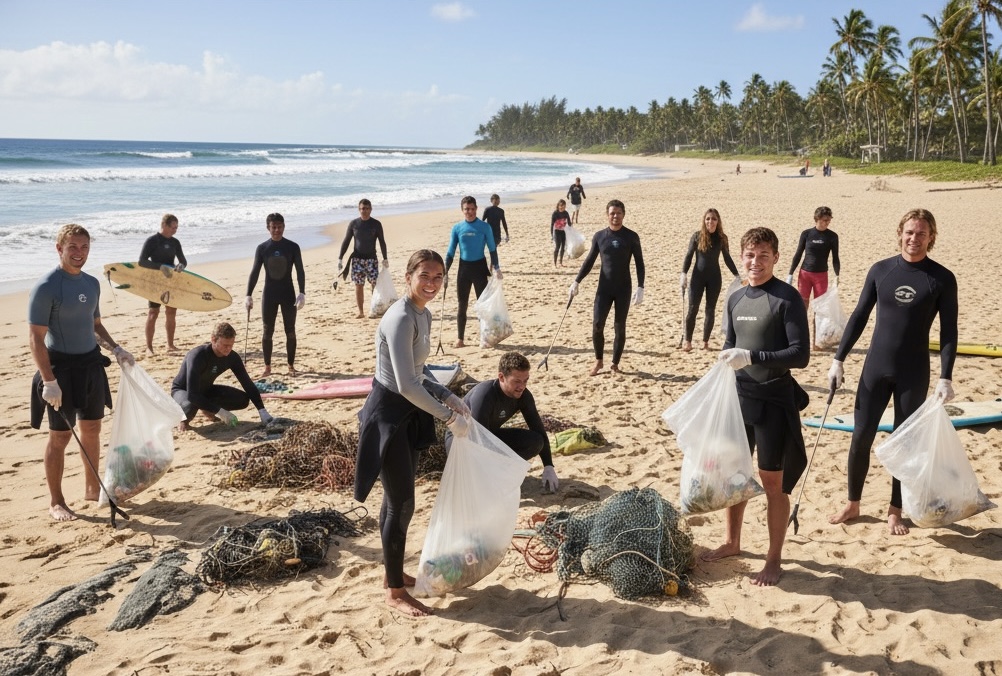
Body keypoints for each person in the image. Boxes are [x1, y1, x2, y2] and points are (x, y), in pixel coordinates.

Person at [354, 249, 471, 617]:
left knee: (396, 502)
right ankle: (393, 592)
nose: (432, 283)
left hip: (410, 413)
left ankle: (392, 574)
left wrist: (449, 394)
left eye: (438, 278)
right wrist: (448, 418)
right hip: (388, 414)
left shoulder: (425, 313)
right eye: (425, 276)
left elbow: (421, 372)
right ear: (408, 277)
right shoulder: (402, 317)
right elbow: (405, 384)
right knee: (401, 503)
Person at [827, 208, 958, 536]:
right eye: (910, 232)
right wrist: (838, 359)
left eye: (922, 234)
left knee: (905, 443)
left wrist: (946, 376)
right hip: (876, 367)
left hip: (913, 371)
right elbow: (858, 316)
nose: (915, 239)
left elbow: (949, 332)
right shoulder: (881, 270)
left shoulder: (941, 279)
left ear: (931, 237)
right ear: (900, 233)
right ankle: (853, 503)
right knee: (861, 436)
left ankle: (895, 510)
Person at [703, 226, 810, 586]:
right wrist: (729, 362)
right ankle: (732, 541)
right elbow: (729, 346)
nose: (755, 262)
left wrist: (752, 355)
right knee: (735, 474)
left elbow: (800, 354)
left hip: (775, 400)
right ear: (743, 256)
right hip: (740, 400)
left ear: (776, 258)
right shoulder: (734, 298)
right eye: (750, 254)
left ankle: (774, 558)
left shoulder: (787, 298)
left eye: (764, 255)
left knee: (772, 481)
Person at [28, 223, 136, 521]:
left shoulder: (91, 283)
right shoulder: (47, 286)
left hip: (91, 365)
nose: (79, 253)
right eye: (73, 247)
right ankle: (57, 501)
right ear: (59, 248)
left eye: (84, 247)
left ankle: (92, 488)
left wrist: (115, 348)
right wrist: (49, 380)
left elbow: (95, 324)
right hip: (60, 370)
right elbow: (35, 337)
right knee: (60, 437)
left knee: (92, 430)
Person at [445, 351, 559, 492]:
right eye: (517, 381)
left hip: (489, 435)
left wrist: (548, 466)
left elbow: (538, 429)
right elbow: (476, 439)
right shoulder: (485, 395)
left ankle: (497, 472)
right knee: (477, 482)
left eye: (525, 380)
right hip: (462, 441)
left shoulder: (523, 395)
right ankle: (490, 475)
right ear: (501, 377)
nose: (522, 386)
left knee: (536, 441)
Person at [568, 199, 645, 376]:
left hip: (623, 288)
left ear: (623, 214)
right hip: (604, 288)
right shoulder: (600, 236)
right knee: (597, 324)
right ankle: (598, 360)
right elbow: (589, 261)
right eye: (612, 213)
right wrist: (577, 281)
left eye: (618, 213)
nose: (615, 216)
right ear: (607, 215)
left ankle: (615, 364)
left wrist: (641, 287)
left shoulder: (631, 236)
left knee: (619, 326)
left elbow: (640, 263)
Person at [171, 322, 274, 431]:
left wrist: (262, 410)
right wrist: (220, 411)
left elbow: (247, 384)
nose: (228, 349)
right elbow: (192, 394)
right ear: (213, 340)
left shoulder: (232, 357)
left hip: (206, 390)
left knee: (243, 400)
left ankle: (206, 408)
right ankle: (183, 421)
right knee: (190, 404)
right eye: (225, 345)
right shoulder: (198, 356)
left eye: (231, 345)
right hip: (183, 391)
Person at [245, 213, 306, 377]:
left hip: (288, 293)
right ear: (268, 228)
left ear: (284, 227)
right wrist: (248, 295)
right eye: (273, 227)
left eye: (279, 227)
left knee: (290, 331)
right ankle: (267, 367)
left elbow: (300, 270)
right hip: (269, 294)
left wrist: (302, 292)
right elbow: (255, 272)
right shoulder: (263, 248)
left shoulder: (292, 247)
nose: (277, 230)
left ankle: (291, 366)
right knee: (267, 331)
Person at [445, 196, 502, 349]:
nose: (469, 212)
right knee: (461, 305)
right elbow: (450, 252)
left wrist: (496, 267)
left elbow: (492, 249)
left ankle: (484, 337)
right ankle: (460, 338)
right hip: (463, 269)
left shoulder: (484, 227)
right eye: (466, 209)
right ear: (462, 210)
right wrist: (445, 271)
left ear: (476, 209)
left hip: (479, 268)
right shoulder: (457, 228)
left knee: (482, 305)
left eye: (471, 209)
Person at [680, 208, 740, 352]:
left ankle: (705, 342)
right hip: (697, 278)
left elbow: (727, 258)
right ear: (704, 220)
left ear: (718, 221)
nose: (710, 222)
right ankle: (688, 340)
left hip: (714, 278)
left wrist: (737, 275)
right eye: (708, 219)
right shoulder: (697, 236)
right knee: (693, 309)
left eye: (713, 219)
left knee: (710, 310)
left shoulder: (722, 238)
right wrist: (683, 273)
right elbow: (689, 256)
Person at [786, 206, 841, 350]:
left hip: (821, 276)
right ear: (817, 219)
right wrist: (790, 273)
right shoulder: (807, 234)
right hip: (805, 275)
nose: (827, 222)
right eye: (824, 220)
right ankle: (799, 341)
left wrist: (837, 275)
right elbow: (798, 254)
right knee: (802, 308)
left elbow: (835, 258)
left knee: (820, 311)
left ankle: (817, 343)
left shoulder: (832, 236)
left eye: (829, 220)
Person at [138, 213, 188, 356]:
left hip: (170, 281)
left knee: (171, 312)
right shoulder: (152, 241)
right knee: (153, 313)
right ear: (164, 225)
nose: (175, 230)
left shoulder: (175, 242)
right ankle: (149, 348)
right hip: (155, 281)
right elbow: (142, 261)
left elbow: (183, 260)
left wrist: (181, 266)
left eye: (177, 227)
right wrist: (160, 266)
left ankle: (170, 345)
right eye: (173, 227)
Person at [338, 199, 389, 319]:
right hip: (357, 260)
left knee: (374, 284)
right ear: (358, 209)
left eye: (366, 208)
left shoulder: (376, 224)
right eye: (362, 209)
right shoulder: (354, 224)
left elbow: (382, 241)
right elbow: (346, 241)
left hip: (371, 259)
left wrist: (385, 258)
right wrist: (340, 258)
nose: (364, 211)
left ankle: (373, 309)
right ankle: (361, 311)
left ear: (370, 209)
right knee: (358, 285)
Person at [550, 199, 571, 267]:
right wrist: (551, 235)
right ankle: (555, 263)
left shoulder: (566, 213)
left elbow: (569, 222)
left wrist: (570, 226)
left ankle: (561, 262)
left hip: (563, 231)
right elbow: (552, 225)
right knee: (557, 247)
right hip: (556, 231)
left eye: (563, 206)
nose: (562, 207)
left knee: (563, 247)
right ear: (558, 206)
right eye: (561, 206)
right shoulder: (555, 213)